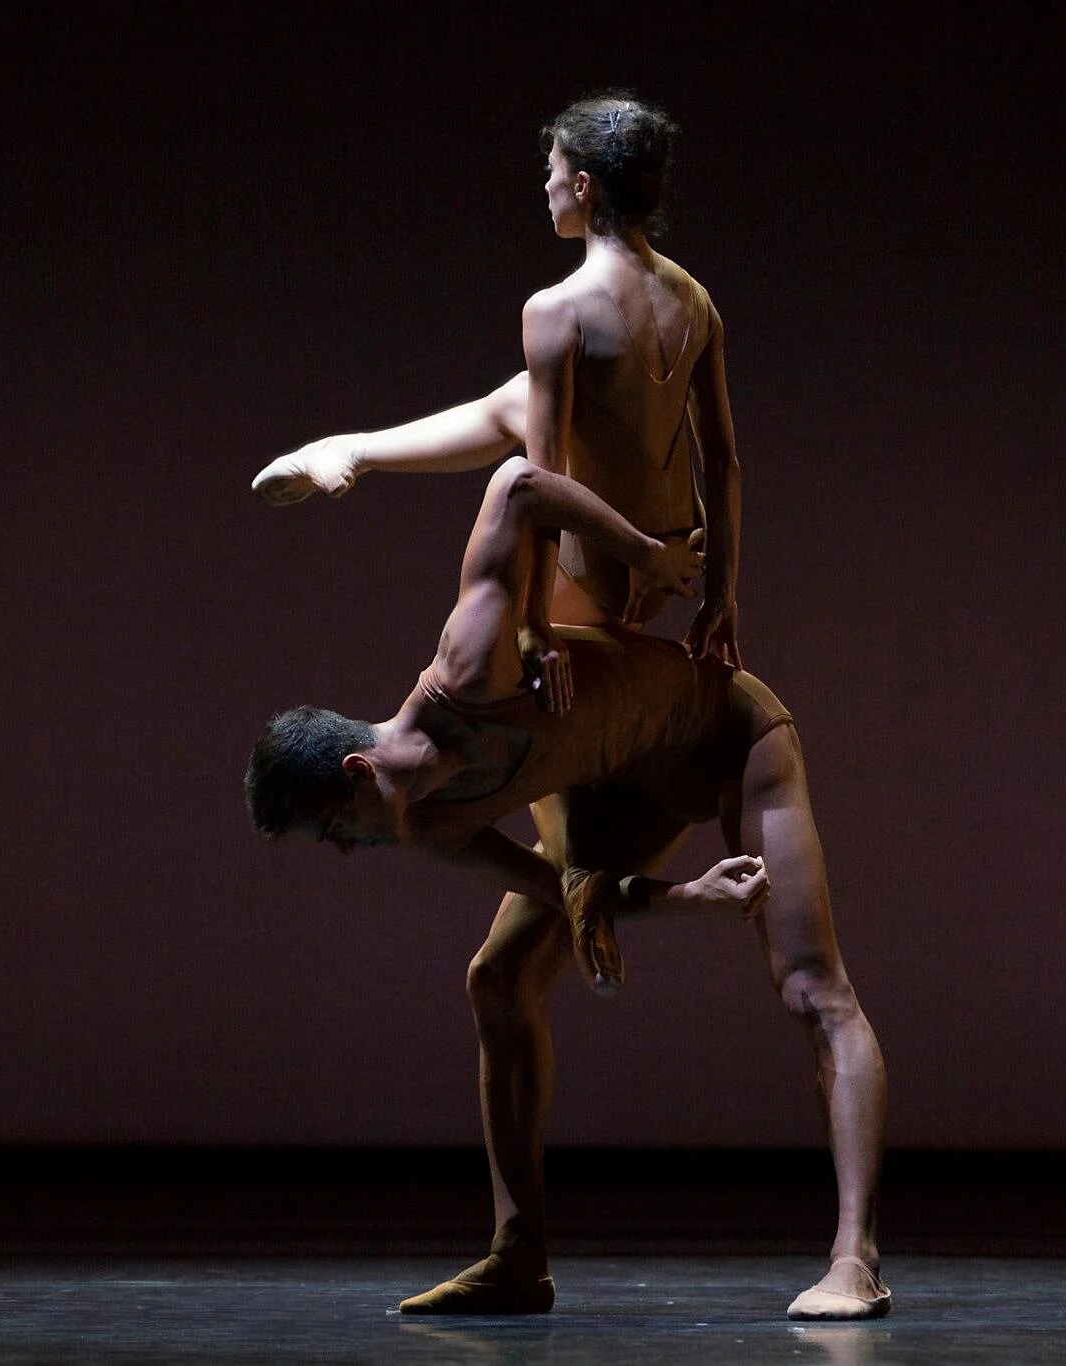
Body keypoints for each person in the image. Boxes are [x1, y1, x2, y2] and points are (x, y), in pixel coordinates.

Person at [247, 455, 889, 1320]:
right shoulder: (432, 827)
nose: (345, 853)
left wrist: (648, 558)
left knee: (813, 987)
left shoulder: (467, 671)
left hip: (730, 737)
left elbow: (517, 483)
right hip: (627, 781)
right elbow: (567, 892)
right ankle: (518, 1257)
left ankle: (857, 1258)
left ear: (359, 774)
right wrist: (684, 899)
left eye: (332, 832)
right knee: (499, 978)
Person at [253, 92, 742, 680]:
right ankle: (351, 449)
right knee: (518, 399)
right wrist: (720, 596)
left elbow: (544, 486)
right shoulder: (696, 300)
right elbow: (721, 460)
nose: (546, 187)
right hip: (672, 565)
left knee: (521, 450)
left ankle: (352, 450)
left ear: (583, 186)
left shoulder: (558, 310)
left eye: (552, 171)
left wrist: (534, 623)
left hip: (606, 570)